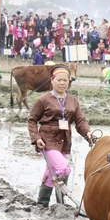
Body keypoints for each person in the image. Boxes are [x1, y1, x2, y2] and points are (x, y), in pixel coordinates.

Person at [28, 64, 93, 207]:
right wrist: (37, 138)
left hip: (64, 141)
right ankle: (61, 203)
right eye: (59, 80)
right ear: (52, 80)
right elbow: (32, 120)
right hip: (47, 140)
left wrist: (88, 133)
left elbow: (80, 120)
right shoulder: (43, 100)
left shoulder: (73, 101)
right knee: (63, 168)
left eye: (66, 80)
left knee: (52, 171)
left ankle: (42, 203)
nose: (63, 83)